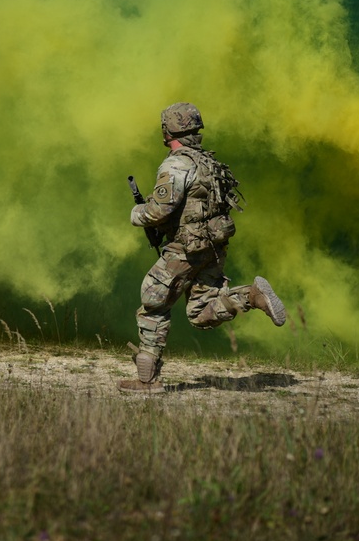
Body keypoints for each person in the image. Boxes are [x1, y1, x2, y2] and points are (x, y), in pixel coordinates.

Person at [120, 102, 287, 393]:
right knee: (199, 313)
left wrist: (137, 215)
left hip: (186, 248)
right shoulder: (209, 163)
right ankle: (250, 295)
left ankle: (147, 381)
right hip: (213, 246)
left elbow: (161, 209)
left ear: (167, 130)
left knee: (152, 302)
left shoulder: (176, 163)